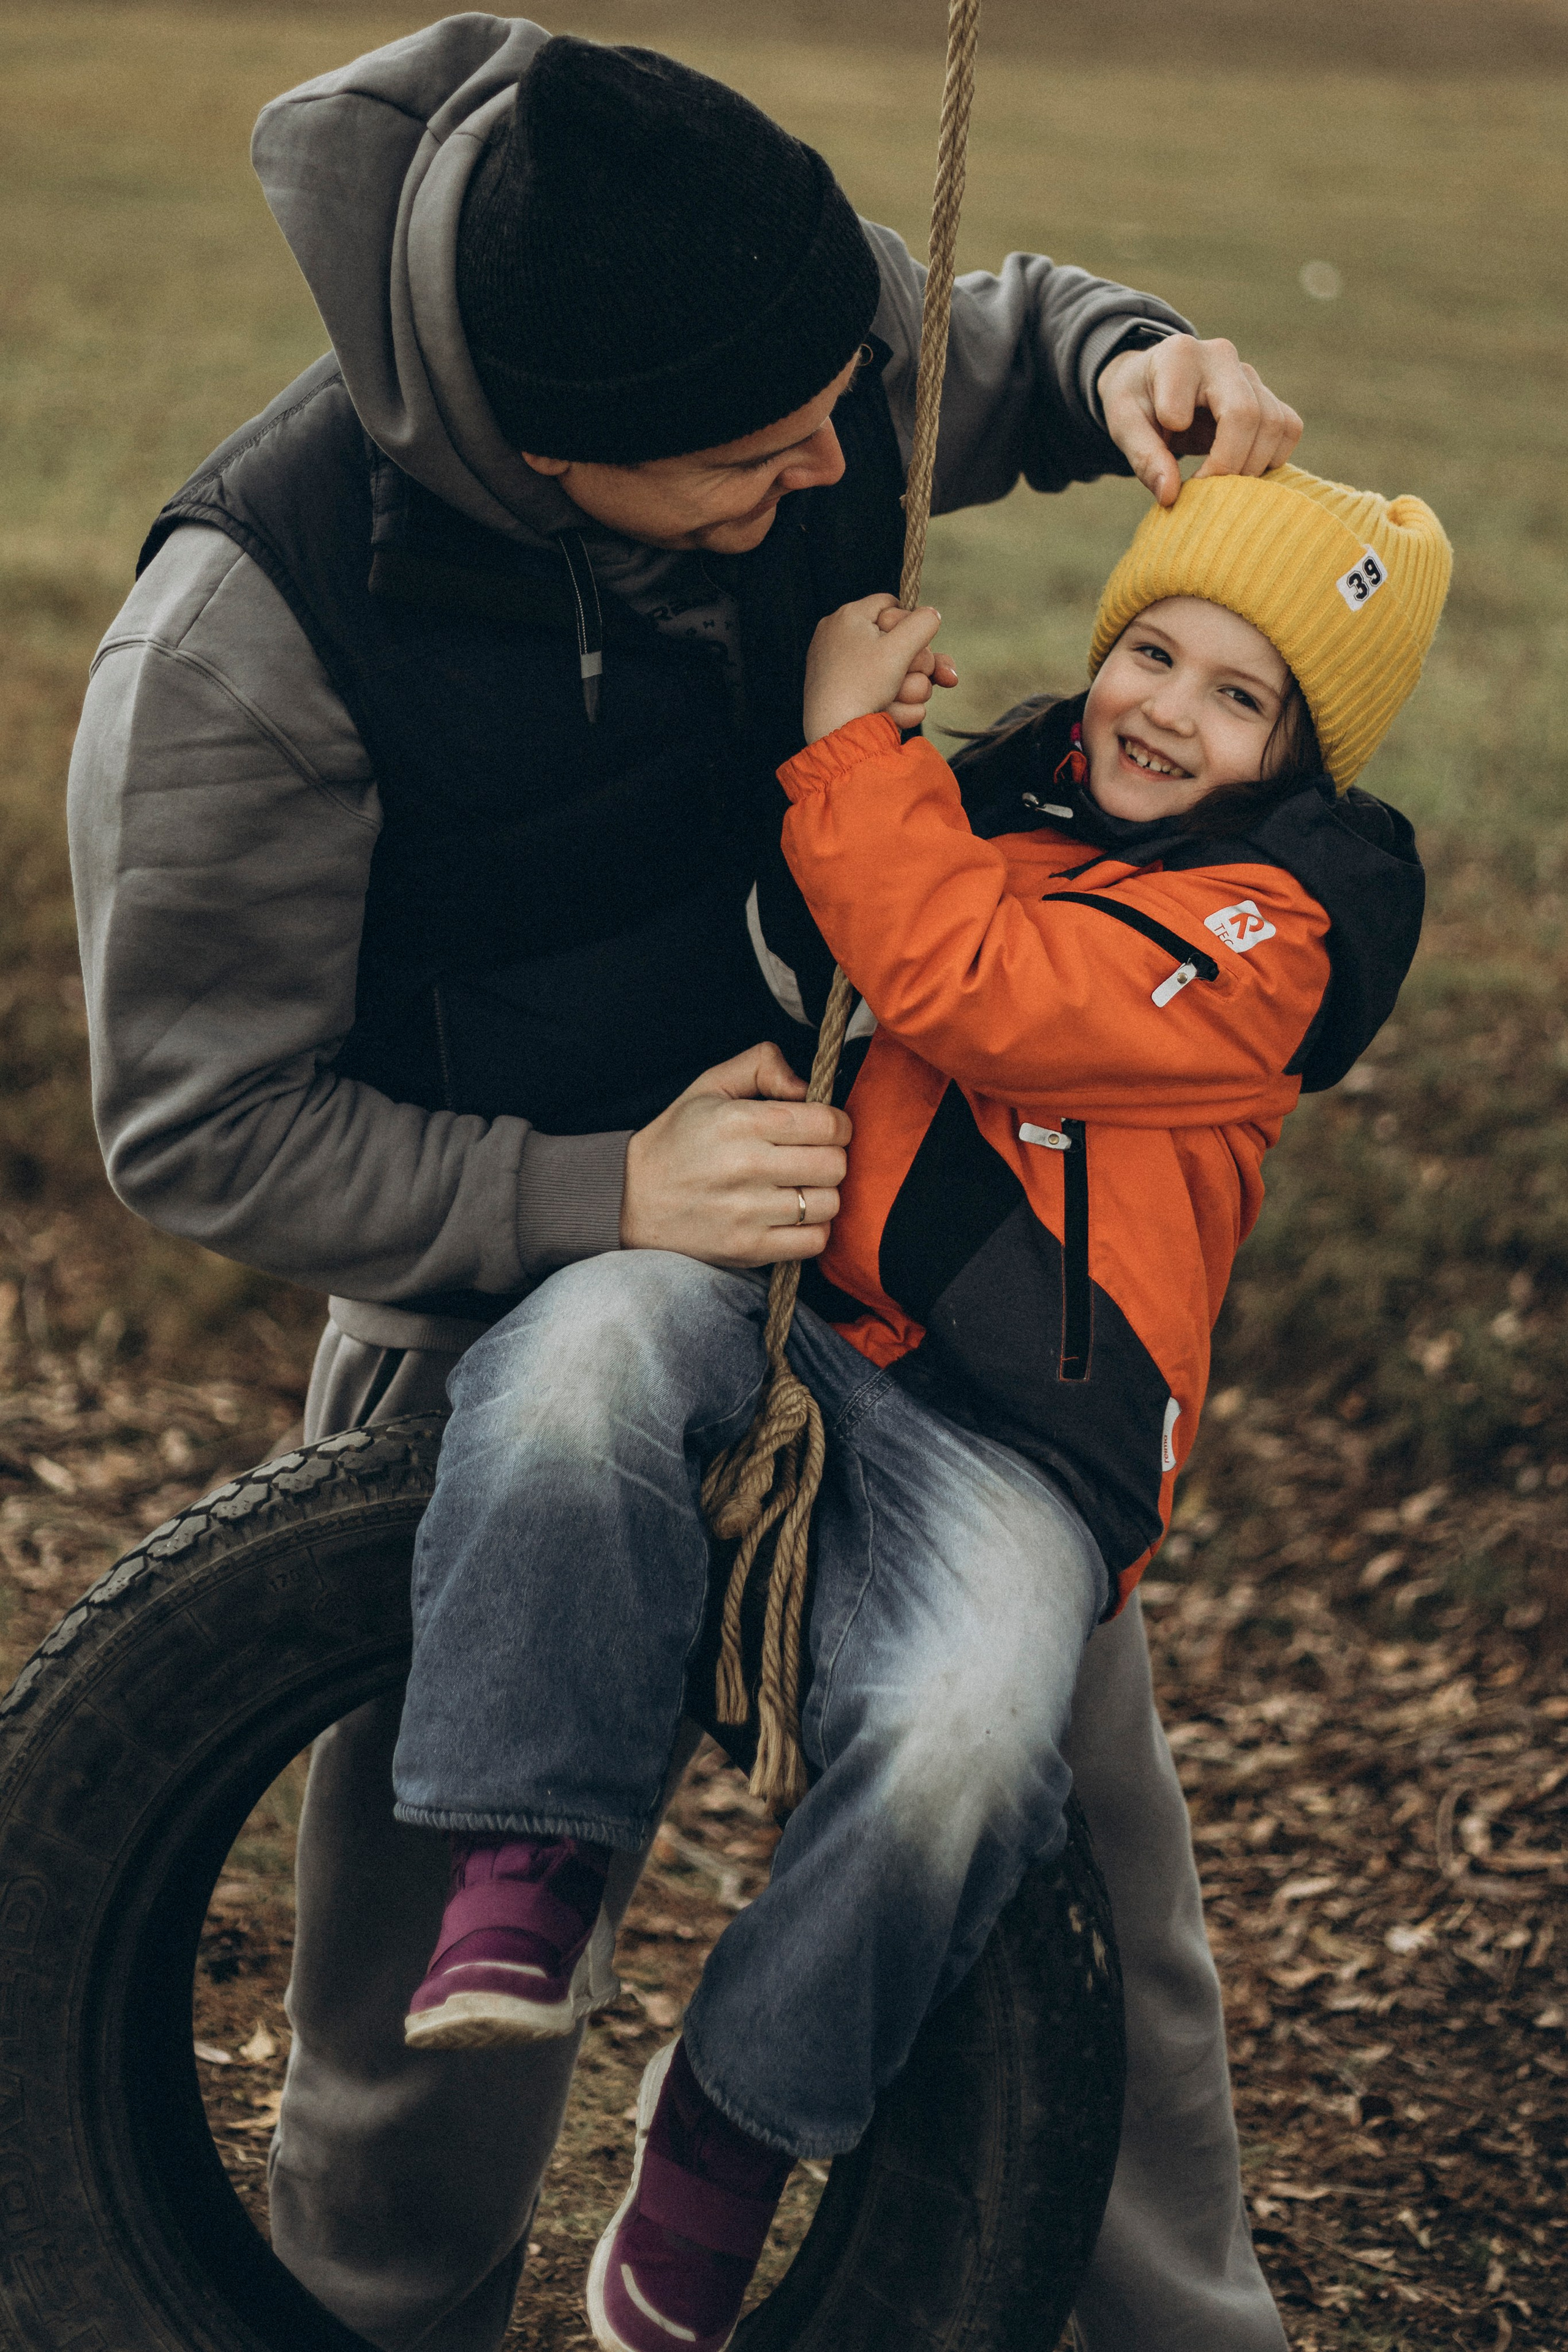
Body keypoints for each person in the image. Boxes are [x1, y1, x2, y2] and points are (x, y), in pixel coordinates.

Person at [65, 17, 1315, 2350]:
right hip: (493, 1254)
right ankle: (368, 2311)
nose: (846, 459)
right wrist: (597, 1196)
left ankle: (1172, 2328)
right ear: (562, 457)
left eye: (840, 398)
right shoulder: (252, 636)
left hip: (918, 1236)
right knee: (435, 1906)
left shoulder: (783, 319)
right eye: (763, 459)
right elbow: (201, 1121)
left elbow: (990, 347)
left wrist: (1129, 359)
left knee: (1060, 1805)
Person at [387, 462, 1449, 2351]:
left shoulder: (1274, 933)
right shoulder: (983, 801)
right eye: (1150, 649)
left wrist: (845, 754)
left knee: (966, 1734)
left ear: (1300, 758)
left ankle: (736, 2119)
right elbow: (825, 953)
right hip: (790, 1311)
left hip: (1021, 1444)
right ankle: (531, 1847)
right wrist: (860, 789)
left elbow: (982, 991)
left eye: (1238, 697)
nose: (1164, 710)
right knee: (571, 1360)